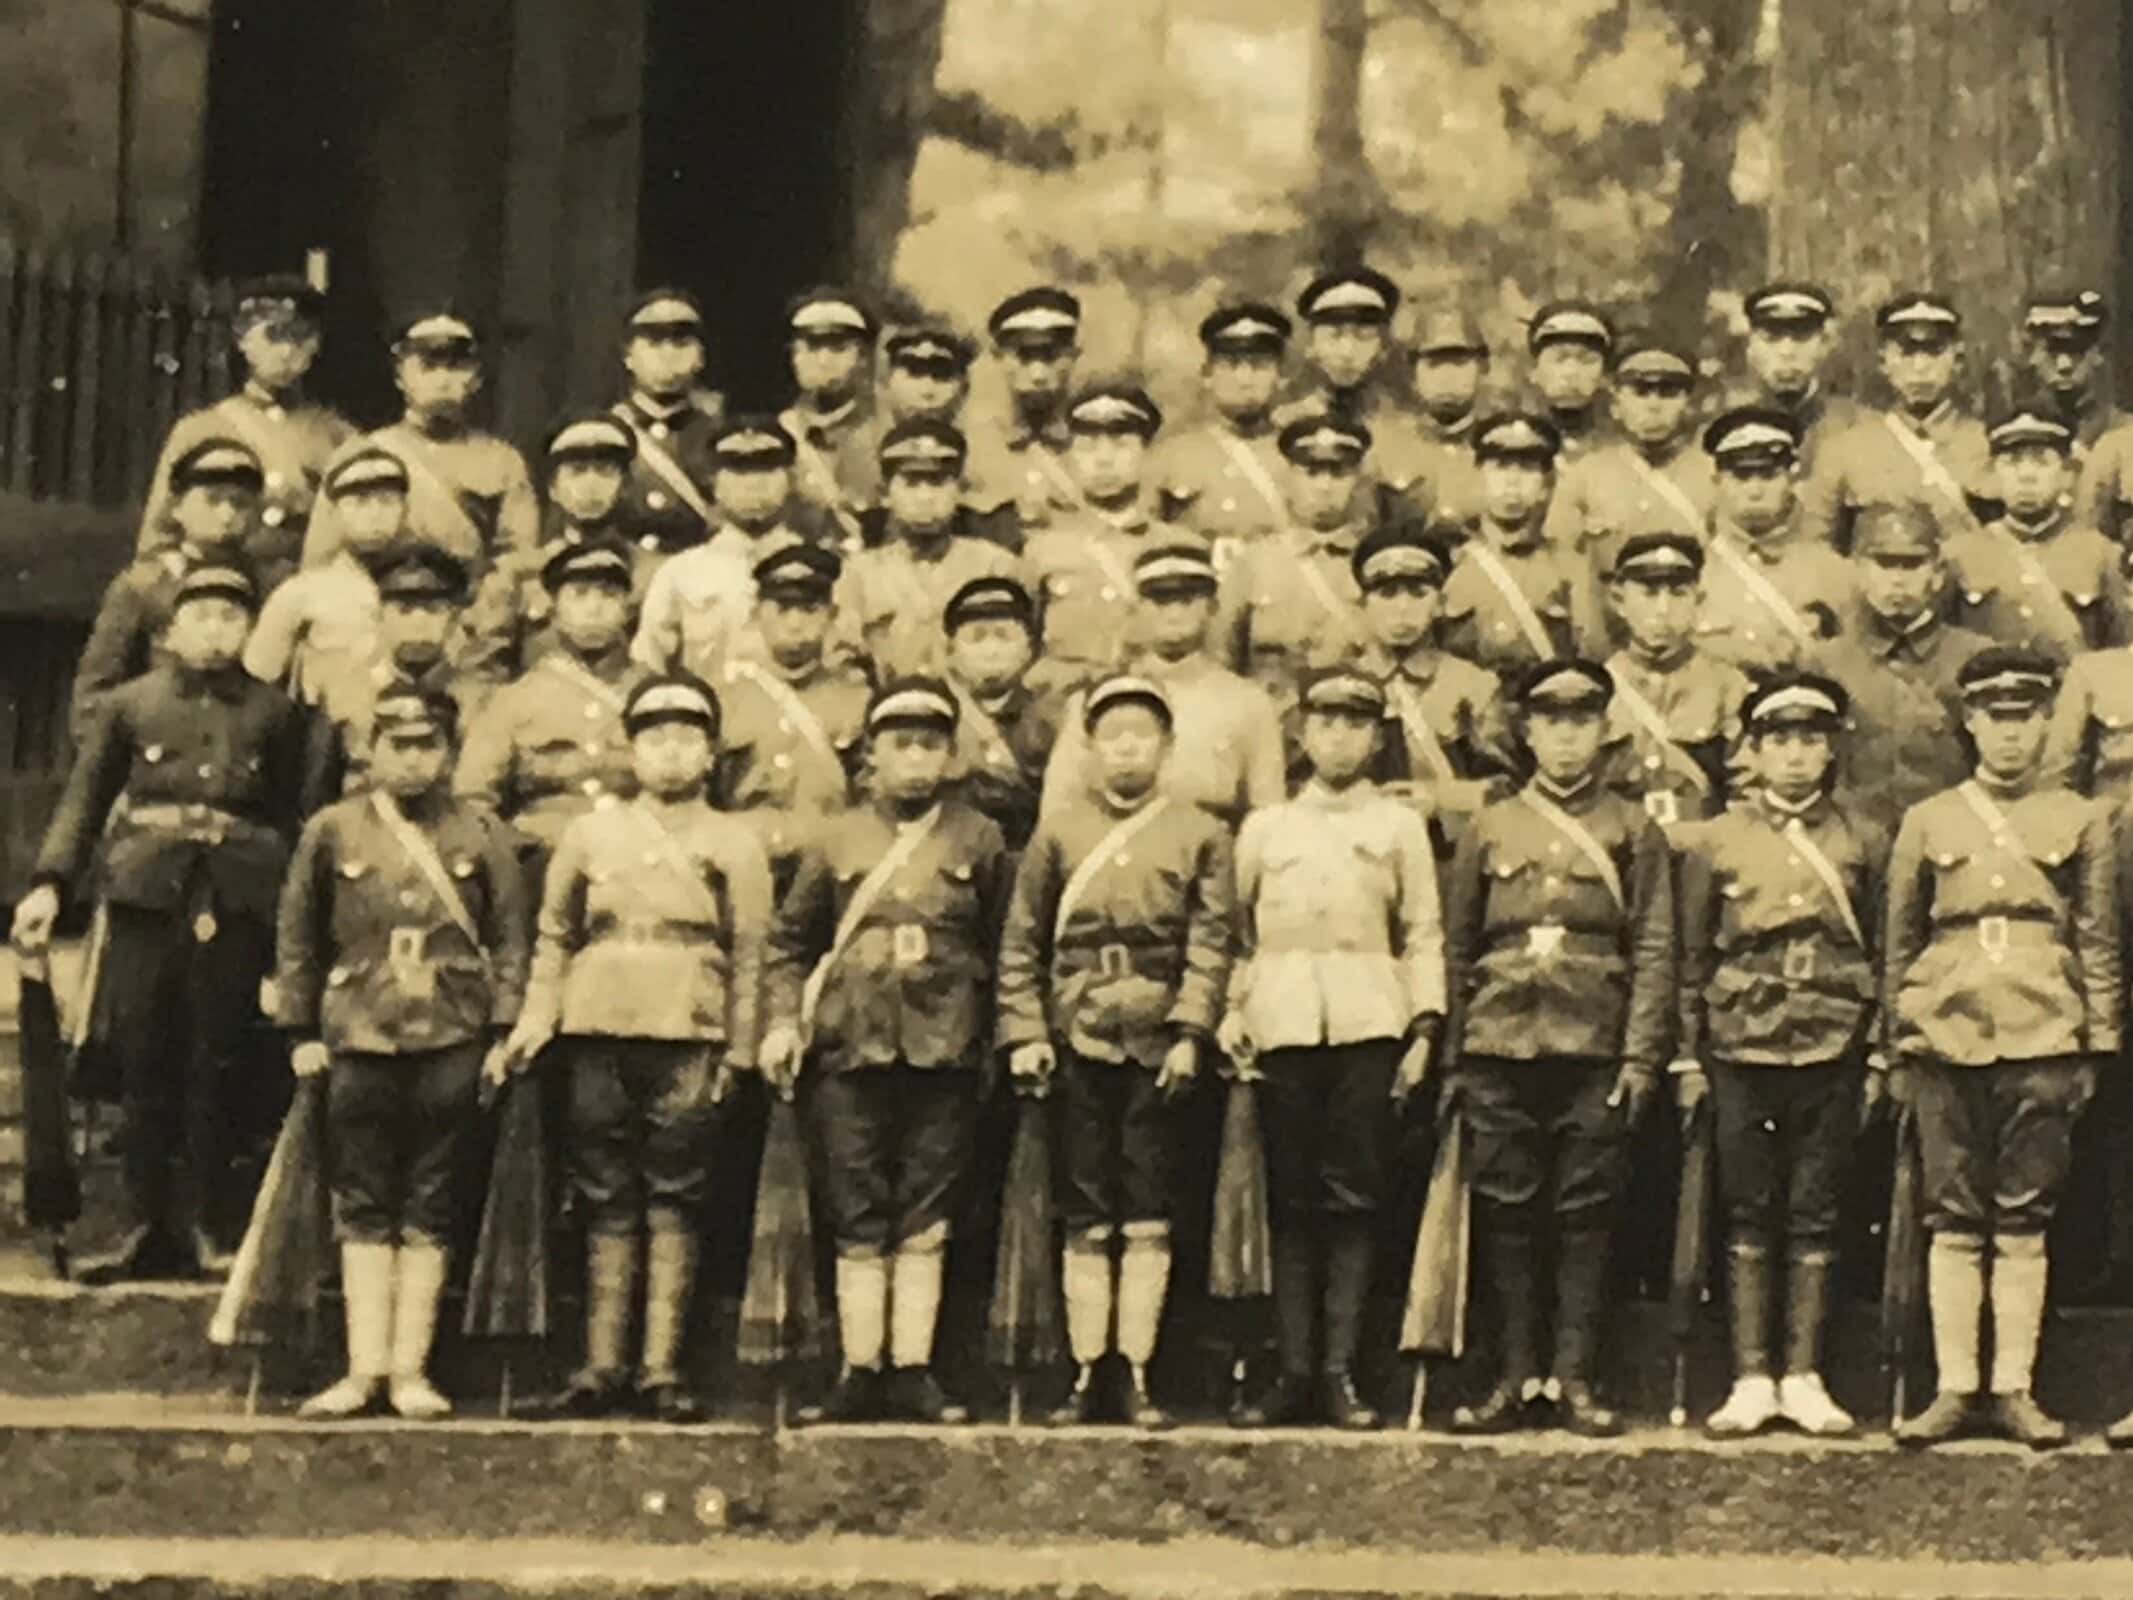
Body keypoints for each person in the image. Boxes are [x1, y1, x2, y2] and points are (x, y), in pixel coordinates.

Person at [13, 564, 325, 1281]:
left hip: (239, 898)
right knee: (144, 1057)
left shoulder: (276, 714)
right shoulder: (131, 705)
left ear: (249, 629)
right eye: (201, 616)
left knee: (219, 1060)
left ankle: (210, 1227)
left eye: (230, 617)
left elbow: (291, 819)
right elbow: (85, 802)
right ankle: (146, 1225)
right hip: (146, 898)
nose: (215, 631)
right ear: (172, 629)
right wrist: (50, 884)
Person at [501, 673, 772, 1422]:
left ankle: (660, 1369)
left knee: (676, 1196)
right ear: (632, 749)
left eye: (687, 738)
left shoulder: (733, 840)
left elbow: (752, 952)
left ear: (711, 752)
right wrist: (536, 1017)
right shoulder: (589, 833)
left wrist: (741, 1050)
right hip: (596, 1022)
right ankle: (599, 1365)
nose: (671, 753)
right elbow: (554, 935)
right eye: (655, 738)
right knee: (603, 1195)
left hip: (690, 1025)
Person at [274, 681, 529, 1420]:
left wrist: (503, 1032)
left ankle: (410, 1371)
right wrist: (300, 1032)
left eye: (428, 746)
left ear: (449, 753)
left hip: (452, 1032)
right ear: (371, 749)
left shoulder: (482, 833)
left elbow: (511, 938)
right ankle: (362, 1370)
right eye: (398, 744)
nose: (413, 760)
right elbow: (298, 936)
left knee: (431, 1201)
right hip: (358, 1029)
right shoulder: (331, 830)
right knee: (361, 1201)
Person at [761, 678, 1014, 1425]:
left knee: (928, 1209)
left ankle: (913, 1368)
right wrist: (782, 1023)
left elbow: (1005, 947)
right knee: (856, 1206)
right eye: (899, 744)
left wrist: (1000, 1039)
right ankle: (858, 1368)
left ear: (950, 755)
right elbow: (787, 943)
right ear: (870, 754)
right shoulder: (836, 838)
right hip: (850, 1047)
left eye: (930, 744)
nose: (915, 759)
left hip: (946, 1047)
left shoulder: (978, 838)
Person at [1886, 647, 2120, 1450]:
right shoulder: (1928, 819)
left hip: (2044, 1031)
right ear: (1971, 723)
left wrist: (2095, 1039)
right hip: (1943, 1032)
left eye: (2025, 719)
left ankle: (2012, 1389)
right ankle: (1955, 1390)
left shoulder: (2077, 819)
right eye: (1995, 718)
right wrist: (1899, 1036)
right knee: (1952, 1216)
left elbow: (2094, 939)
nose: (2010, 736)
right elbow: (1901, 937)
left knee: (2023, 1218)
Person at [1438, 659, 1675, 1437]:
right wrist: (1454, 1058)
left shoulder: (1631, 828)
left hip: (1591, 1042)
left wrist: (1639, 1058)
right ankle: (1512, 1376)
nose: (1566, 739)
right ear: (1528, 732)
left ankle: (1572, 1379)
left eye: (1581, 723)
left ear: (1604, 732)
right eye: (1550, 723)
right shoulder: (1490, 825)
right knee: (1505, 1213)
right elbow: (1455, 945)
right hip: (1500, 1042)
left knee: (1583, 1213)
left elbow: (1654, 947)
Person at [997, 674, 1235, 1427]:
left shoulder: (1201, 833)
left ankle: (1136, 1370)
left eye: (1142, 735)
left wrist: (1192, 1032)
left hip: (1157, 1042)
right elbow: (1021, 941)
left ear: (1166, 748)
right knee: (1084, 1207)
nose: (1127, 748)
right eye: (1112, 735)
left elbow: (1210, 941)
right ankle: (1083, 1368)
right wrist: (1027, 1033)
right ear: (1090, 748)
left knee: (1147, 1206)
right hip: (1075, 1035)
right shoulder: (1058, 830)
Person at [1221, 668, 1444, 1430]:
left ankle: (1340, 1373)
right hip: (1280, 1025)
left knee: (1352, 1201)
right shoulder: (1265, 828)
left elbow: (1421, 933)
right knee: (1289, 1203)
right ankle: (1291, 1371)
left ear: (1376, 737)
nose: (1339, 737)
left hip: (1367, 1024)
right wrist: (1232, 1009)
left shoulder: (1397, 827)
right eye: (1325, 722)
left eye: (1355, 724)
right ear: (1302, 735)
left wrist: (1423, 1029)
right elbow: (1235, 935)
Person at [1673, 673, 1884, 1439]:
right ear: (1752, 752)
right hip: (1740, 1040)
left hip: (1832, 1036)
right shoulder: (1715, 840)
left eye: (1810, 740)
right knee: (1748, 1208)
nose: (1795, 757)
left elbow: (1884, 946)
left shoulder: (1861, 837)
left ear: (1830, 750)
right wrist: (1688, 1058)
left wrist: (1880, 1047)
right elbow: (1691, 957)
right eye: (1778, 741)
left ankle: (1803, 1374)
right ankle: (1750, 1376)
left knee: (1816, 1210)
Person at [1041, 544, 1285, 832]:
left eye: (1188, 600)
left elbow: (1267, 819)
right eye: (1159, 601)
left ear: (1212, 607)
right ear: (1136, 609)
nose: (1174, 613)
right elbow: (1059, 811)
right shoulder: (1094, 698)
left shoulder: (1249, 702)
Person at [134, 274, 353, 588]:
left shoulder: (335, 435)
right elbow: (157, 541)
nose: (286, 352)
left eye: (300, 338)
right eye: (274, 336)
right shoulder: (200, 430)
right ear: (243, 339)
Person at [455, 539, 648, 871]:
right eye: (580, 595)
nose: (594, 607)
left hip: (636, 859)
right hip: (542, 857)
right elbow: (474, 797)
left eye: (608, 595)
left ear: (627, 610)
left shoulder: (654, 692)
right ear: (555, 610)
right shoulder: (514, 700)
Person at [304, 311, 539, 576]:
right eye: (428, 366)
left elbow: (521, 558)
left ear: (476, 380)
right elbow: (320, 562)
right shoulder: (361, 454)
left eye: (456, 366)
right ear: (399, 377)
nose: (442, 380)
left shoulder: (502, 462)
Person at [73, 439, 266, 737]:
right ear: (177, 508)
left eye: (239, 503)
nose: (227, 515)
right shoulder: (143, 586)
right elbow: (95, 696)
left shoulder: (269, 586)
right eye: (212, 500)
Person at [1821, 505, 1994, 835]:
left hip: (1949, 838)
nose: (1897, 579)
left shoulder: (1974, 657)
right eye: (1884, 564)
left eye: (1912, 564)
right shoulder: (1828, 662)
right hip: (1855, 841)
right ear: (1859, 570)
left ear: (1938, 573)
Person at [713, 544, 871, 894]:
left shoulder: (857, 696)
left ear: (832, 615)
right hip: (747, 864)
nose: (796, 623)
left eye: (810, 609)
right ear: (757, 614)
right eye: (783, 609)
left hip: (830, 866)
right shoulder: (724, 697)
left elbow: (872, 794)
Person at [458, 412, 646, 698]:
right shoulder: (518, 575)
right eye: (577, 471)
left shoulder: (654, 572)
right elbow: (484, 670)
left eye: (605, 471)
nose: (591, 485)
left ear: (627, 487)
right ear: (553, 489)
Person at [1215, 417, 1377, 743]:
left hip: (1352, 733)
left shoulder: (1376, 562)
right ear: (1289, 478)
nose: (1325, 486)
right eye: (1312, 472)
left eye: (1338, 473)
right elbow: (1222, 661)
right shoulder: (1254, 562)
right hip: (1269, 732)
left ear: (1357, 480)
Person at [1350, 525, 1514, 842]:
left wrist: (1441, 799)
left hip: (1448, 855)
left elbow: (1509, 789)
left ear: (1440, 604)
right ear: (1363, 605)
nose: (1402, 608)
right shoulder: (1341, 682)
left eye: (1417, 593)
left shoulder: (1472, 687)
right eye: (1386, 593)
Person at [1798, 294, 1993, 552]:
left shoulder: (1987, 445)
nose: (1921, 367)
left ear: (1956, 360)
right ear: (1883, 361)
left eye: (1934, 352)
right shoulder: (1844, 450)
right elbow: (1814, 547)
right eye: (1907, 352)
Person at [633, 419, 820, 683]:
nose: (754, 485)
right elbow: (649, 668)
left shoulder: (823, 569)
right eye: (738, 471)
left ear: (790, 480)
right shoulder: (680, 574)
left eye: (767, 469)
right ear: (713, 484)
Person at [1022, 384, 1175, 703]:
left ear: (1146, 452)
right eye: (1088, 446)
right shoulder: (1042, 551)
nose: (1104, 460)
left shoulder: (1177, 546)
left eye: (1121, 445)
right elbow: (1025, 647)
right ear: (1070, 457)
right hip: (1063, 709)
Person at [843, 420, 1023, 681]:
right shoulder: (859, 573)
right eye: (911, 483)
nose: (925, 497)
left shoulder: (996, 565)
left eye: (938, 482)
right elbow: (846, 663)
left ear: (960, 491)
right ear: (885, 494)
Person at [244, 446, 410, 725]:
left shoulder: (425, 591)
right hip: (324, 744)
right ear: (334, 513)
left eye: (387, 501)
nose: (375, 514)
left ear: (404, 511)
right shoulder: (302, 593)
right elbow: (255, 685)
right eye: (359, 502)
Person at [1944, 411, 2128, 662]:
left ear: (2066, 475)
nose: (2026, 475)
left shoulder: (2103, 555)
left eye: (2042, 462)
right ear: (1994, 474)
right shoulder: (1959, 556)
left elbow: (2123, 657)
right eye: (2012, 461)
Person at [1597, 533, 1751, 829]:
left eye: (1678, 593)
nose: (1663, 609)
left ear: (1698, 601)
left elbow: (1748, 789)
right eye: (1649, 593)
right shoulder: (1600, 688)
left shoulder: (1728, 686)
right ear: (1619, 601)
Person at [1438, 414, 1603, 678]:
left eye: (1527, 468)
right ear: (1479, 476)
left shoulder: (1571, 566)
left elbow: (1591, 657)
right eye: (1501, 466)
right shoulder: (1449, 563)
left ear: (1545, 487)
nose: (1512, 481)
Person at [1695, 407, 1854, 678]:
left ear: (1791, 479)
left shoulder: (1834, 573)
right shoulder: (1693, 574)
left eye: (1769, 476)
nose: (1755, 491)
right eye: (1741, 477)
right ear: (1717, 480)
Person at [1546, 340, 1714, 577]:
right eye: (1640, 392)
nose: (1654, 406)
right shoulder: (1584, 477)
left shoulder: (1714, 475)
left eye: (1668, 393)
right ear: (1616, 406)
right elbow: (1561, 563)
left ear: (1688, 405)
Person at [1274, 268, 1429, 521]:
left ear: (1383, 348)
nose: (1347, 352)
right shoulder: (1282, 427)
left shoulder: (1407, 433)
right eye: (1334, 336)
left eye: (1363, 337)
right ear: (1311, 346)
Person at [325, 548, 474, 796]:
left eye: (434, 610)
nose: (419, 622)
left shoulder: (476, 697)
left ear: (454, 619)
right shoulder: (348, 695)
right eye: (403, 611)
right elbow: (319, 790)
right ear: (379, 617)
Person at [1154, 303, 1293, 566]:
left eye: (1259, 365)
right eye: (1230, 365)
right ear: (1207, 375)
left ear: (1281, 376)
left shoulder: (1298, 457)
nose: (1244, 379)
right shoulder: (1170, 456)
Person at [938, 576, 1058, 855]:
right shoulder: (936, 716)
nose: (991, 650)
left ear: (1029, 649)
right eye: (976, 637)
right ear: (951, 651)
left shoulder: (1052, 718)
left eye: (1004, 636)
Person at [609, 289, 726, 560]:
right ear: (628, 356)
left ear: (700, 358)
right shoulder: (607, 433)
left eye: (681, 343)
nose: (668, 354)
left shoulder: (719, 437)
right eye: (653, 343)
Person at [966, 287, 1085, 528]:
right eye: (1024, 357)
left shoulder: (1095, 447)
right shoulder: (972, 450)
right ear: (998, 356)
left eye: (1051, 356)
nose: (1038, 374)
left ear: (1073, 355)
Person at [779, 287, 878, 540]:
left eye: (838, 348)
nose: (824, 361)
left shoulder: (887, 431)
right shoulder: (779, 436)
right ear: (793, 356)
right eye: (811, 348)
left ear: (864, 357)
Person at [1730, 283, 1858, 477]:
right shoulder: (1730, 430)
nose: (1787, 352)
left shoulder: (1857, 427)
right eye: (1770, 338)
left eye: (1802, 337)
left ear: (1824, 345)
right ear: (1751, 347)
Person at [1390, 305, 1493, 543]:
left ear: (1483, 367)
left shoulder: (1503, 447)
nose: (1447, 376)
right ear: (1412, 373)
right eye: (1433, 364)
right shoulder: (1385, 449)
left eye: (1459, 363)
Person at [2015, 291, 2124, 461]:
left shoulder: (2125, 439)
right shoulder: (2014, 438)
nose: (2063, 365)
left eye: (2076, 351)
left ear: (2098, 355)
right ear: (2033, 356)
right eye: (2052, 352)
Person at [1522, 302, 1615, 462]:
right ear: (1533, 371)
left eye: (1587, 360)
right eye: (1559, 359)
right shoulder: (1510, 444)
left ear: (1605, 376)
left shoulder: (1620, 450)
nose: (1571, 372)